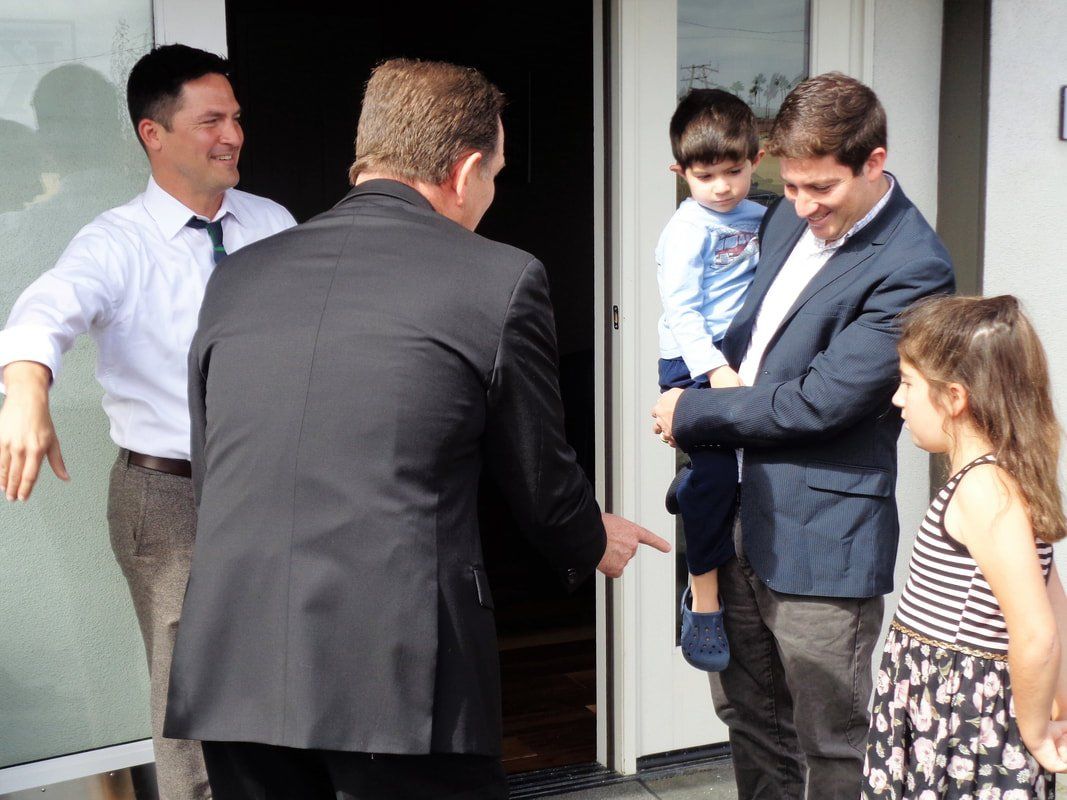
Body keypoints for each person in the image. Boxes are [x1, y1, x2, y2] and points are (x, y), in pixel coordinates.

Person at [163, 58, 669, 799]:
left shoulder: (238, 274)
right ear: (464, 171)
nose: (489, 197)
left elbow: (213, 463)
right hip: (395, 667)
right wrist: (589, 537)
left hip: (233, 655)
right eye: (494, 176)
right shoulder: (499, 278)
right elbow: (537, 470)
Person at [0, 44, 296, 800]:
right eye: (211, 121)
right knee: (187, 698)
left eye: (236, 118)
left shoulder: (272, 223)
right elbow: (47, 309)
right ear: (153, 134)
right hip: (170, 498)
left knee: (285, 669)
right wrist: (26, 387)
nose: (232, 135)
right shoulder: (116, 241)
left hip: (272, 484)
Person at [651, 72, 955, 799]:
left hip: (820, 538)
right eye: (788, 185)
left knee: (832, 741)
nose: (803, 204)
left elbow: (819, 403)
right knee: (749, 720)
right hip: (731, 513)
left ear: (873, 161)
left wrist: (690, 414)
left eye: (821, 187)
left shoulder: (914, 266)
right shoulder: (783, 218)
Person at [863, 295, 1067, 798]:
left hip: (959, 720)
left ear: (954, 397)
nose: (898, 399)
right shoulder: (1003, 479)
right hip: (948, 708)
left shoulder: (983, 489)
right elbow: (1055, 605)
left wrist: (1036, 730)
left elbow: (1038, 632)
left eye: (908, 383)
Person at [656, 88, 765, 672]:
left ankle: (695, 482)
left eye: (733, 171)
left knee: (734, 471)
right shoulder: (686, 231)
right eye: (705, 176)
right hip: (693, 363)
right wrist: (714, 369)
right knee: (722, 475)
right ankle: (704, 601)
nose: (721, 187)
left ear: (756, 160)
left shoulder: (763, 218)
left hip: (735, 358)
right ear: (681, 173)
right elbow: (682, 312)